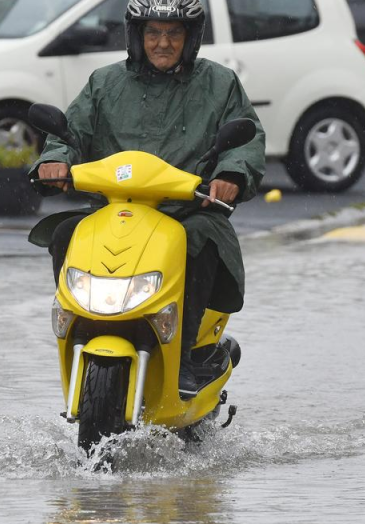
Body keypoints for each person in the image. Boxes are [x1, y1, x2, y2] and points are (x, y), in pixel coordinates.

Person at [29, 0, 265, 396]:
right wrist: (55, 160)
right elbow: (70, 133)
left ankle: (186, 355)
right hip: (113, 211)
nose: (162, 43)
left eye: (173, 33)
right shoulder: (104, 83)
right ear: (136, 37)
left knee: (200, 242)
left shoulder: (219, 83)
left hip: (187, 212)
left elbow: (247, 140)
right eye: (153, 32)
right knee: (66, 234)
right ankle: (82, 331)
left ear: (190, 39)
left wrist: (230, 174)